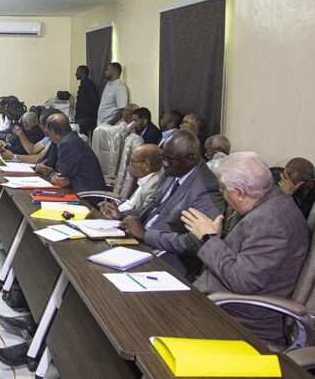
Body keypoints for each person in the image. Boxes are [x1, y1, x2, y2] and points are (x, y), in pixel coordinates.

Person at [182, 152, 310, 347]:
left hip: (238, 318)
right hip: (216, 299)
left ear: (240, 193)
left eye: (223, 188)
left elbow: (243, 281)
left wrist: (208, 238)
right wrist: (216, 238)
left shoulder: (271, 220)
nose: (222, 194)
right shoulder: (270, 202)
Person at [100, 130, 225, 277]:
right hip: (142, 241)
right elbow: (153, 207)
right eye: (163, 157)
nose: (163, 164)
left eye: (169, 160)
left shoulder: (206, 188)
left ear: (190, 159)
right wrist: (121, 215)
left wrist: (146, 235)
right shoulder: (173, 170)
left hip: (170, 255)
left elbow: (196, 242)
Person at [46, 113, 107, 192]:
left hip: (86, 195)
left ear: (53, 131)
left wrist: (51, 178)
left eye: (48, 132)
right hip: (82, 189)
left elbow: (61, 177)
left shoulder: (67, 144)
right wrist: (52, 176)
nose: (48, 136)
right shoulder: (72, 139)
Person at [118, 144, 162, 212]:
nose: (132, 165)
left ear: (146, 165)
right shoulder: (145, 179)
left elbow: (143, 214)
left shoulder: (154, 184)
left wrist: (119, 214)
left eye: (133, 161)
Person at [97, 62, 128, 126]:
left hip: (111, 126)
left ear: (114, 71)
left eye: (107, 70)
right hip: (101, 124)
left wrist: (110, 123)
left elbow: (122, 110)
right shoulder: (108, 84)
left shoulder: (120, 87)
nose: (105, 72)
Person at [74, 65, 99, 135]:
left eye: (77, 71)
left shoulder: (88, 84)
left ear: (82, 72)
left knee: (82, 137)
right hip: (82, 116)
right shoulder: (83, 84)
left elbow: (94, 101)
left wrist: (89, 116)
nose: (76, 73)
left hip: (85, 117)